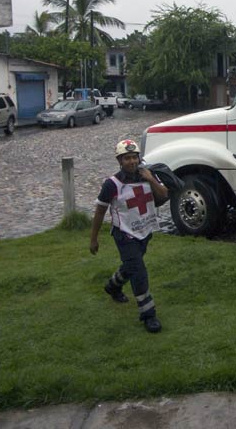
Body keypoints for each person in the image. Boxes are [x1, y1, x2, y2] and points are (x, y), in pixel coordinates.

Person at [90, 139, 169, 333]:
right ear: (119, 160)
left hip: (144, 231)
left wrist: (151, 179)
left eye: (134, 157)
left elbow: (164, 194)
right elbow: (100, 211)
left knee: (131, 266)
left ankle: (113, 286)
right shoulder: (112, 184)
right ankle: (148, 315)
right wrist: (94, 238)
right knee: (139, 271)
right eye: (127, 158)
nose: (132, 162)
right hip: (124, 234)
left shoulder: (147, 176)